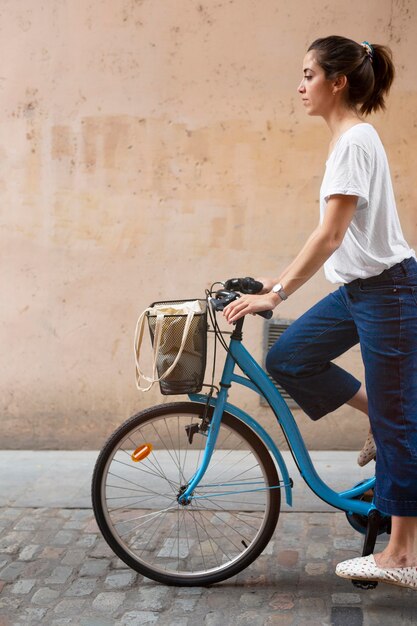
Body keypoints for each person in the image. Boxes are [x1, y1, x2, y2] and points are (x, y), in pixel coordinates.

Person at [223, 36, 417, 590]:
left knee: (402, 422)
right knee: (290, 358)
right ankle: (379, 421)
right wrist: (271, 279)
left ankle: (403, 554)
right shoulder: (348, 141)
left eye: (309, 74)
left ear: (338, 82)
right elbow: (337, 237)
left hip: (390, 292)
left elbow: (330, 234)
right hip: (362, 291)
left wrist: (277, 293)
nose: (300, 85)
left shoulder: (354, 141)